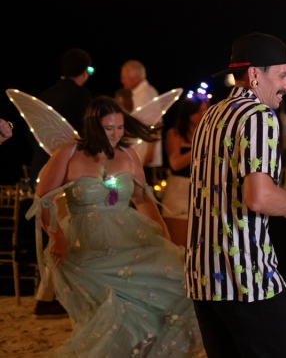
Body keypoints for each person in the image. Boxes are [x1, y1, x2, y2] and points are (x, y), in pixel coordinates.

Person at [186, 32, 286, 358]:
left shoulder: (212, 114)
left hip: (204, 279)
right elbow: (260, 199)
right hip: (247, 279)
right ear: (254, 75)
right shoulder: (258, 116)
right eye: (282, 75)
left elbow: (234, 189)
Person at [26, 96, 203, 356]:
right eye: (110, 128)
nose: (116, 134)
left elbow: (142, 200)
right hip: (87, 243)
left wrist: (163, 234)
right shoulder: (69, 153)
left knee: (174, 281)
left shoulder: (128, 153)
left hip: (129, 236)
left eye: (120, 127)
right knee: (109, 313)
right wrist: (57, 236)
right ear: (93, 126)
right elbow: (42, 201)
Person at [28, 47, 93, 319]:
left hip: (40, 174)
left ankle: (50, 295)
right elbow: (87, 141)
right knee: (63, 237)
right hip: (65, 179)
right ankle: (46, 299)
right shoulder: (82, 98)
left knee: (55, 235)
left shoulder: (44, 96)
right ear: (84, 72)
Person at [161, 92, 210, 247]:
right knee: (178, 246)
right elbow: (175, 163)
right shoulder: (175, 134)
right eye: (198, 111)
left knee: (200, 247)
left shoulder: (210, 133)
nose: (202, 115)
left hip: (204, 193)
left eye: (205, 110)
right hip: (179, 192)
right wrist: (199, 147)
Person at [120, 59, 163, 176]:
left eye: (124, 77)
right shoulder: (137, 93)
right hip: (139, 156)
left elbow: (156, 124)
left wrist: (149, 154)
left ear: (136, 77)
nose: (122, 81)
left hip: (145, 158)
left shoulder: (146, 94)